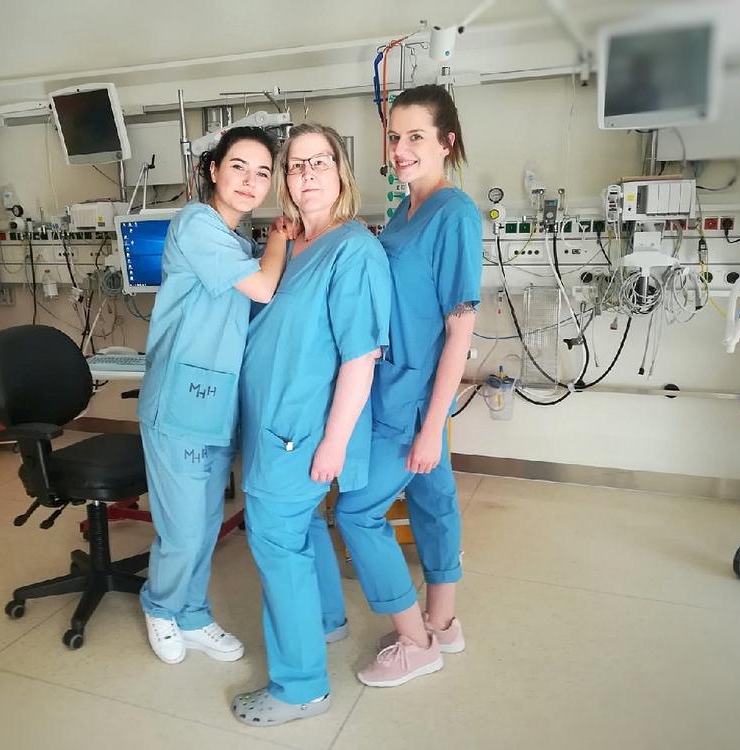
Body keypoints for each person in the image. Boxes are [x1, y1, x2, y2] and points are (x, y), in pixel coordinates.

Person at [231, 123, 391, 727]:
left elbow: (360, 357)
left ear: (341, 171)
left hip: (302, 432)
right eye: (295, 165)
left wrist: (334, 443)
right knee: (301, 531)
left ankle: (299, 688)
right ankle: (325, 619)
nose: (306, 175)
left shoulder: (353, 250)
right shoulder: (294, 243)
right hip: (276, 423)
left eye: (318, 162)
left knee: (277, 543)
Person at [336, 84, 482, 688]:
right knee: (433, 500)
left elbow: (459, 330)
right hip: (395, 385)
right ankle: (442, 623)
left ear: (447, 141)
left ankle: (415, 643)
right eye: (394, 137)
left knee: (356, 513)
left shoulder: (454, 214)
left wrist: (430, 426)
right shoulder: (405, 209)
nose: (399, 148)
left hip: (411, 398)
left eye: (415, 136)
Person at [137, 126, 288, 665]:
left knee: (204, 525)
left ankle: (193, 613)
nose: (251, 180)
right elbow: (264, 286)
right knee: (181, 531)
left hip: (216, 405)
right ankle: (160, 606)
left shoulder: (237, 243)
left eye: (263, 172)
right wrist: (281, 234)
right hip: (178, 404)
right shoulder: (196, 223)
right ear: (213, 170)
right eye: (239, 166)